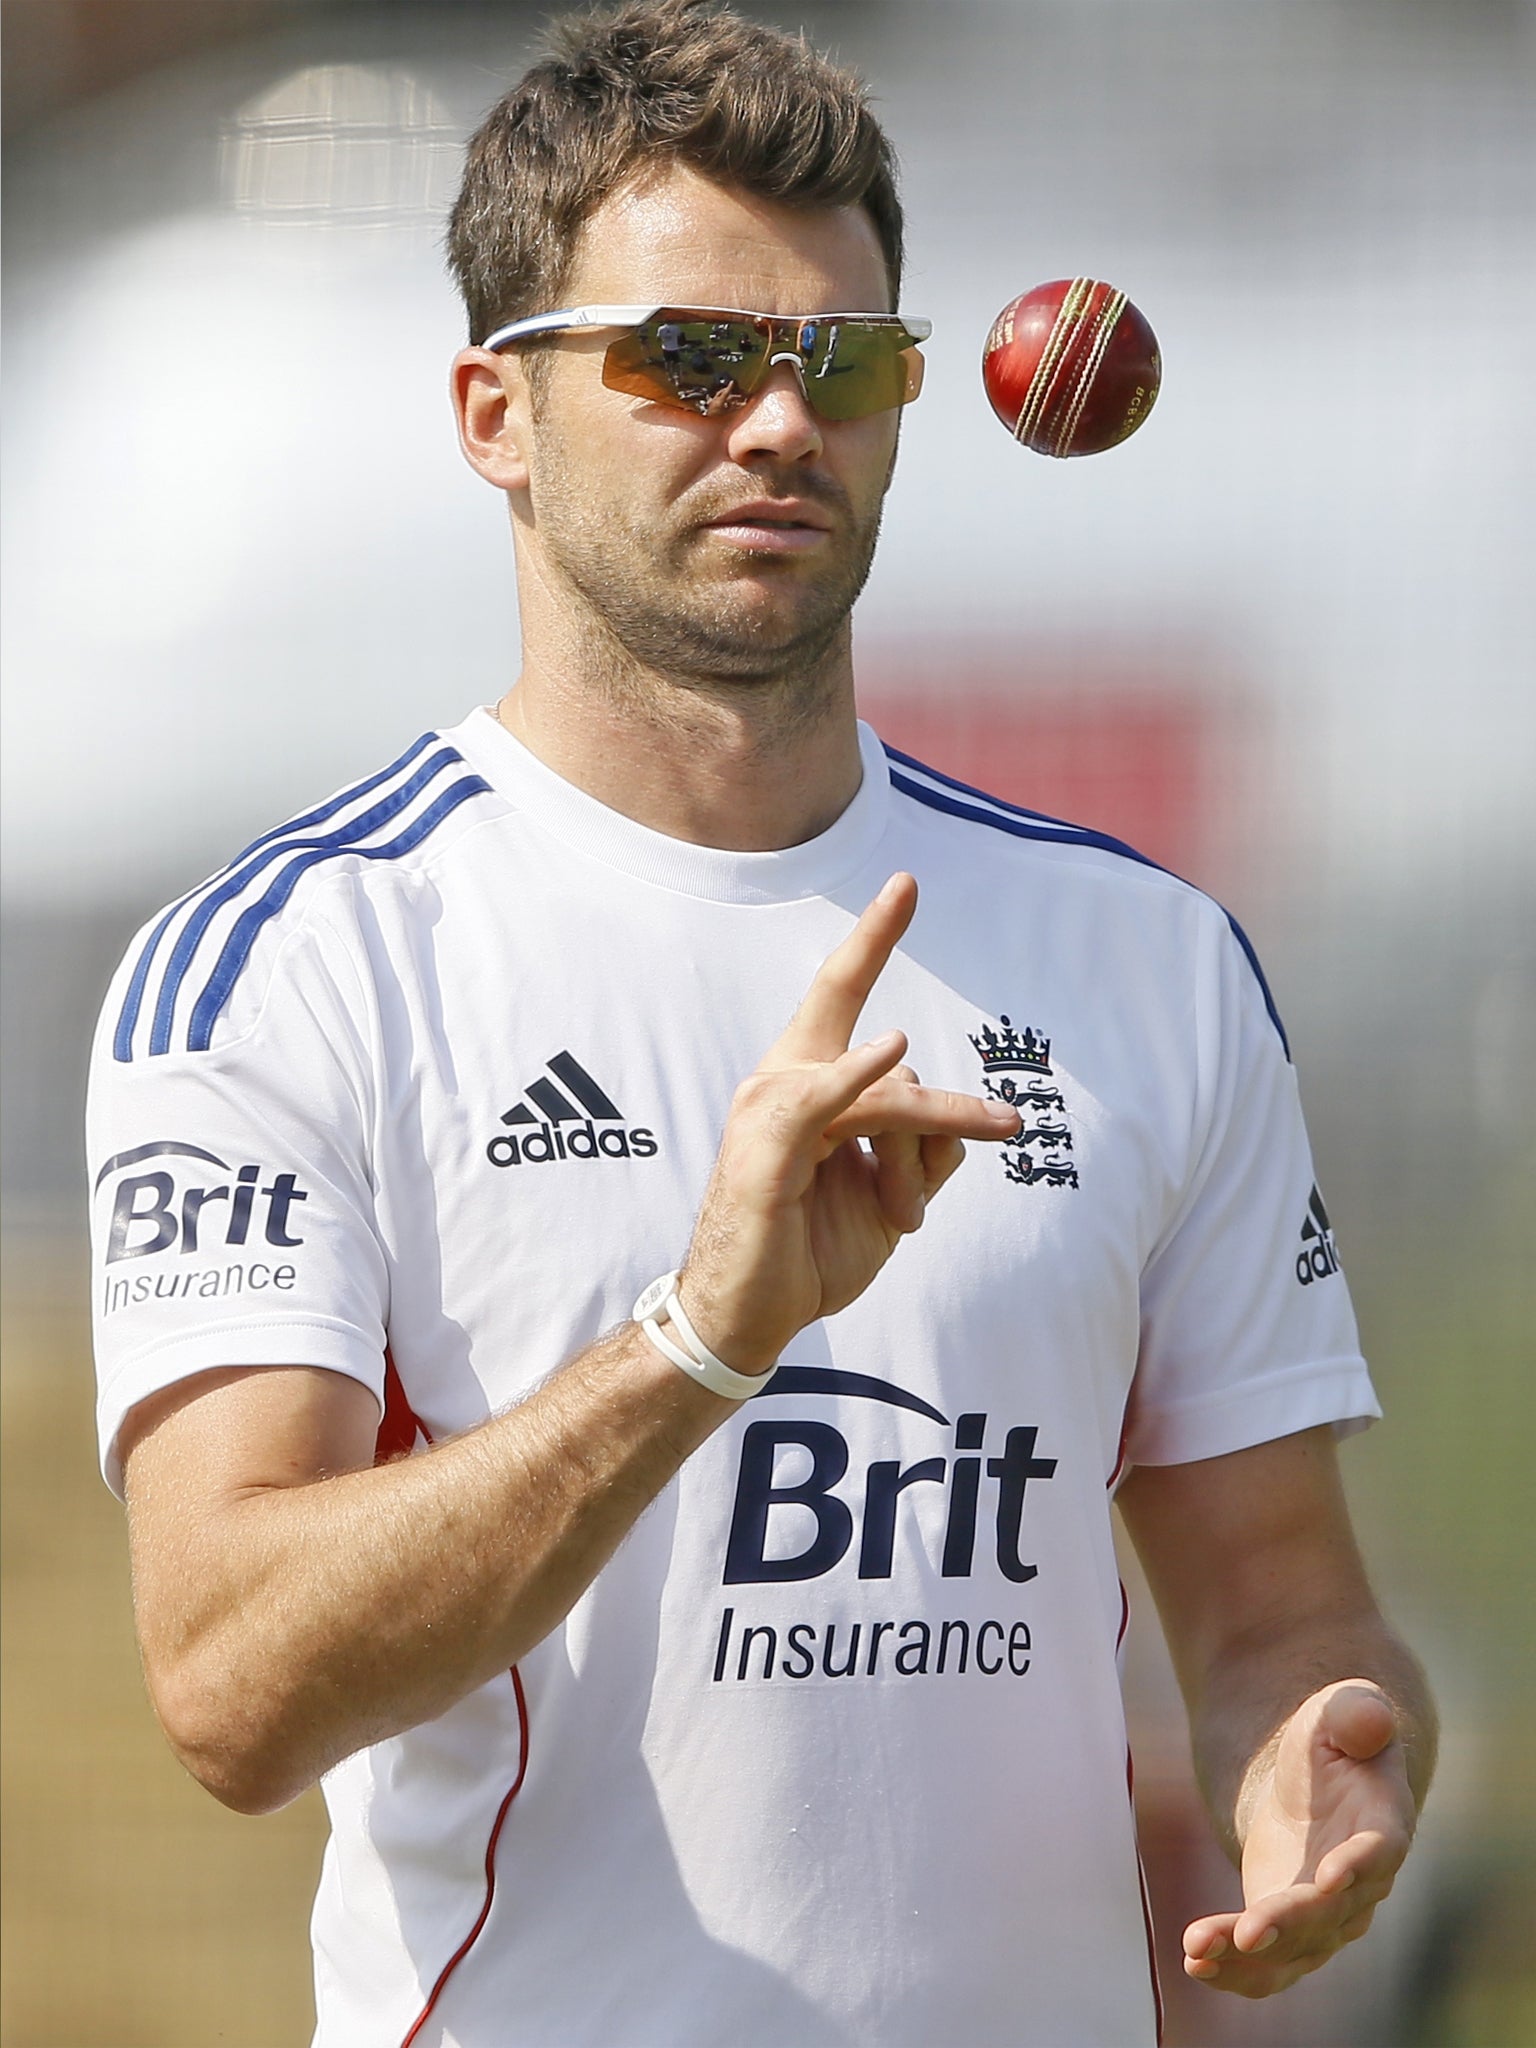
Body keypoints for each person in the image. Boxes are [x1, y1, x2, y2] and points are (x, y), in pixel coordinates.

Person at [87, 3, 1435, 2042]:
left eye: (846, 365)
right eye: (693, 359)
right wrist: (699, 1337)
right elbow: (231, 1686)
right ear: (492, 413)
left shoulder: (1142, 954)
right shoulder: (296, 958)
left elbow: (1284, 1606)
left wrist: (1315, 1760)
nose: (781, 425)